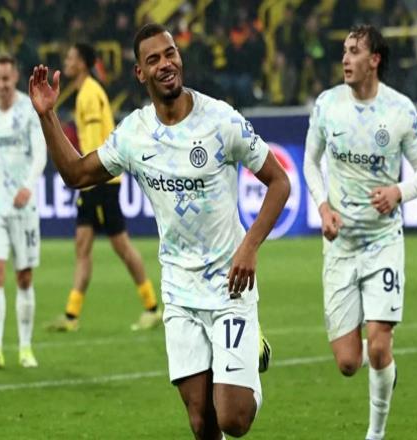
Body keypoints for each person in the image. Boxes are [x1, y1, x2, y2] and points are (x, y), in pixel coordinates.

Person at [29, 23, 289, 439]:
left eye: (171, 54)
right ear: (140, 73)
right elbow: (76, 174)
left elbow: (279, 182)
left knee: (233, 419)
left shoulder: (220, 120)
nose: (166, 63)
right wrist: (47, 116)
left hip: (230, 284)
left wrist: (249, 247)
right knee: (201, 421)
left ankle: (252, 346)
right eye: (154, 59)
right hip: (179, 290)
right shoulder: (135, 134)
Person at [303, 25, 417, 440]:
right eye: (344, 50)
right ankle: (384, 364)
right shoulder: (327, 105)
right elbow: (310, 163)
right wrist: (323, 206)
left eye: (355, 51)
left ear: (374, 60)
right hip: (340, 245)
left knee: (378, 343)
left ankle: (375, 434)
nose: (345, 58)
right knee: (347, 362)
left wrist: (398, 192)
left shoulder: (399, 110)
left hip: (382, 242)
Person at [46, 42, 161, 332]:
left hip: (100, 180)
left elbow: (99, 142)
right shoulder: (86, 92)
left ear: (82, 63)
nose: (66, 61)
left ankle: (151, 307)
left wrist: (90, 177)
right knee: (82, 245)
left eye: (71, 57)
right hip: (94, 180)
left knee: (121, 245)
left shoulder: (89, 93)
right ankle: (71, 315)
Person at [0, 52, 47, 369]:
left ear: (15, 77)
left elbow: (41, 153)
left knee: (24, 277)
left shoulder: (29, 110)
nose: (1, 84)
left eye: (6, 78)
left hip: (24, 207)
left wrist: (28, 185)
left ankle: (25, 348)